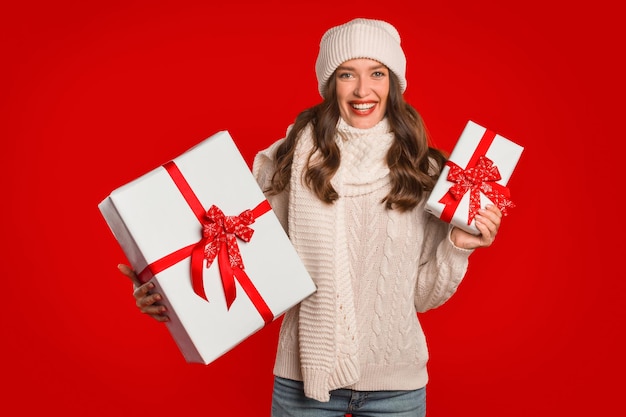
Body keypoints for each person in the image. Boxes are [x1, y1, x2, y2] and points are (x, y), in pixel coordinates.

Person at [119, 18, 502, 417]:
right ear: (329, 84)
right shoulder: (288, 159)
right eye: (346, 74)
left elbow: (421, 298)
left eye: (376, 73)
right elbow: (235, 249)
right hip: (302, 381)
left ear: (394, 83)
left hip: (398, 387)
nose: (362, 90)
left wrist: (458, 247)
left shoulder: (422, 172)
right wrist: (164, 284)